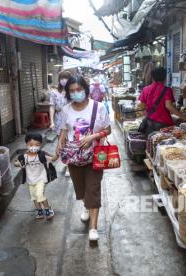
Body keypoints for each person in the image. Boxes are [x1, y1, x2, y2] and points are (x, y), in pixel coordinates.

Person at [57, 76, 111, 246]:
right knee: (81, 189)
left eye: (78, 90)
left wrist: (93, 136)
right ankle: (86, 207)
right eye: (71, 91)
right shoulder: (66, 110)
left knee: (93, 189)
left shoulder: (99, 107)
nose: (75, 93)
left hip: (95, 156)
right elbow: (64, 131)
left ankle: (93, 228)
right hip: (74, 158)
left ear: (86, 90)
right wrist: (59, 143)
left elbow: (108, 129)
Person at [137, 67, 186, 136]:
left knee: (152, 143)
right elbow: (169, 106)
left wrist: (149, 116)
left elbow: (141, 106)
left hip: (150, 123)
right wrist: (183, 117)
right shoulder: (167, 90)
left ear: (152, 77)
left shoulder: (145, 89)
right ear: (165, 77)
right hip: (165, 124)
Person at [14, 133, 58, 220]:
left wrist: (58, 153)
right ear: (26, 145)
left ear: (40, 145)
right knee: (34, 197)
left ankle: (48, 209)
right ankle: (39, 211)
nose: (33, 147)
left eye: (37, 145)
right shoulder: (23, 157)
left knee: (39, 195)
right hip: (30, 180)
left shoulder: (42, 155)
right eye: (31, 145)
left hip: (41, 178)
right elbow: (16, 163)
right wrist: (18, 164)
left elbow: (53, 158)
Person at [49, 71, 72, 135]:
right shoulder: (54, 92)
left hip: (71, 117)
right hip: (59, 118)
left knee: (71, 138)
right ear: (59, 80)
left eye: (66, 78)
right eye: (62, 79)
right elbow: (52, 107)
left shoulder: (72, 91)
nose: (64, 80)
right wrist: (52, 122)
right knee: (60, 138)